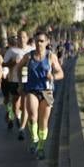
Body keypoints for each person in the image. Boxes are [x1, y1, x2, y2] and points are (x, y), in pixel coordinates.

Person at [22, 31, 64, 159]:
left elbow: (61, 73)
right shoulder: (28, 56)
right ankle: (34, 138)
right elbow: (20, 68)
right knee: (32, 116)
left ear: (47, 42)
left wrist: (53, 76)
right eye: (36, 41)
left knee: (44, 121)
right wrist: (21, 82)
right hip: (32, 90)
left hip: (47, 91)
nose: (38, 43)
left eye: (41, 41)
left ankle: (40, 147)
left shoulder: (51, 56)